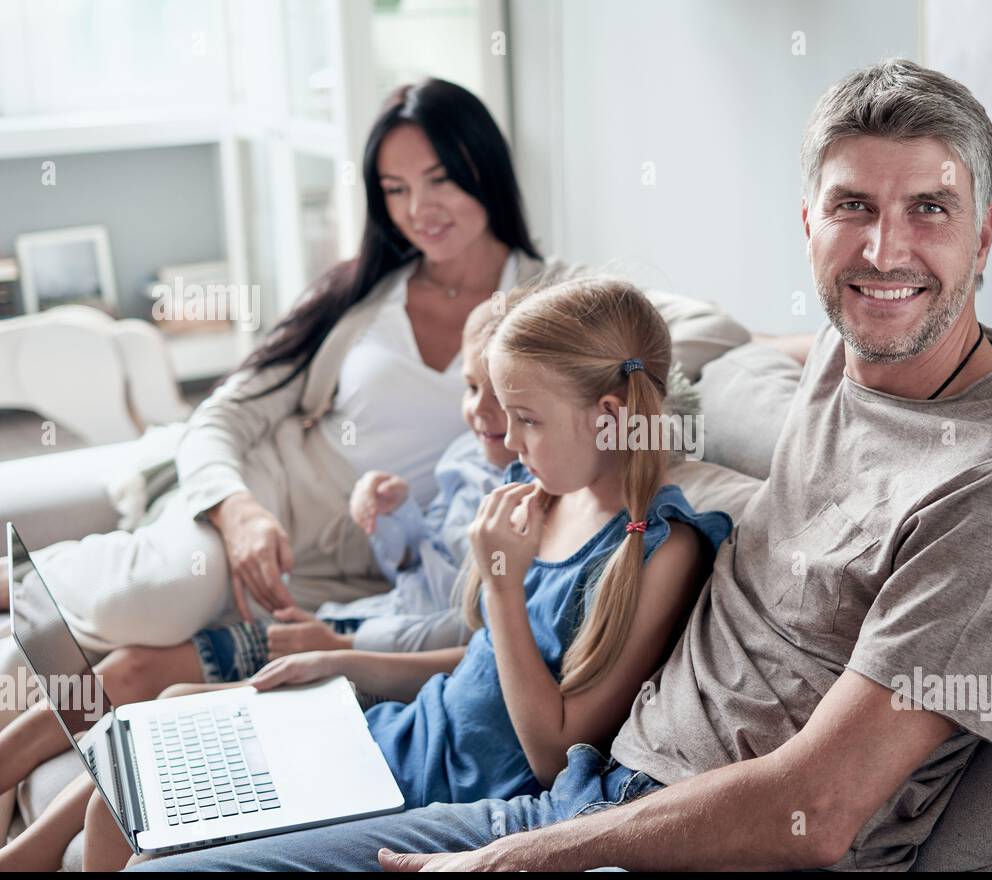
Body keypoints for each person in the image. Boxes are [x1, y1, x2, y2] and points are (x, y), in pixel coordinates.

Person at [126, 57, 992, 874]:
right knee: (158, 843)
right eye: (853, 207)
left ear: (986, 232)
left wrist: (518, 857)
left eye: (930, 208)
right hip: (592, 792)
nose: (886, 249)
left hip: (671, 843)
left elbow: (824, 804)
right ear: (808, 225)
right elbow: (692, 362)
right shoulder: (850, 353)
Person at [10, 277, 733, 871]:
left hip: (438, 791)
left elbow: (552, 752)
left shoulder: (662, 551)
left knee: (142, 800)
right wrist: (342, 661)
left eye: (526, 419)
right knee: (134, 763)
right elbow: (480, 669)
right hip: (398, 736)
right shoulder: (545, 494)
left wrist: (504, 588)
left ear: (609, 417)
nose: (507, 441)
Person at [0, 77, 573, 657]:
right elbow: (222, 415)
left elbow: (634, 359)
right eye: (394, 189)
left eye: (440, 180)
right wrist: (237, 510)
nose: (418, 211)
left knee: (144, 647)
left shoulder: (554, 304)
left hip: (375, 568)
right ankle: (32, 578)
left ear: (487, 168)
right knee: (166, 597)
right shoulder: (359, 293)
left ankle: (51, 608)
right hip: (268, 496)